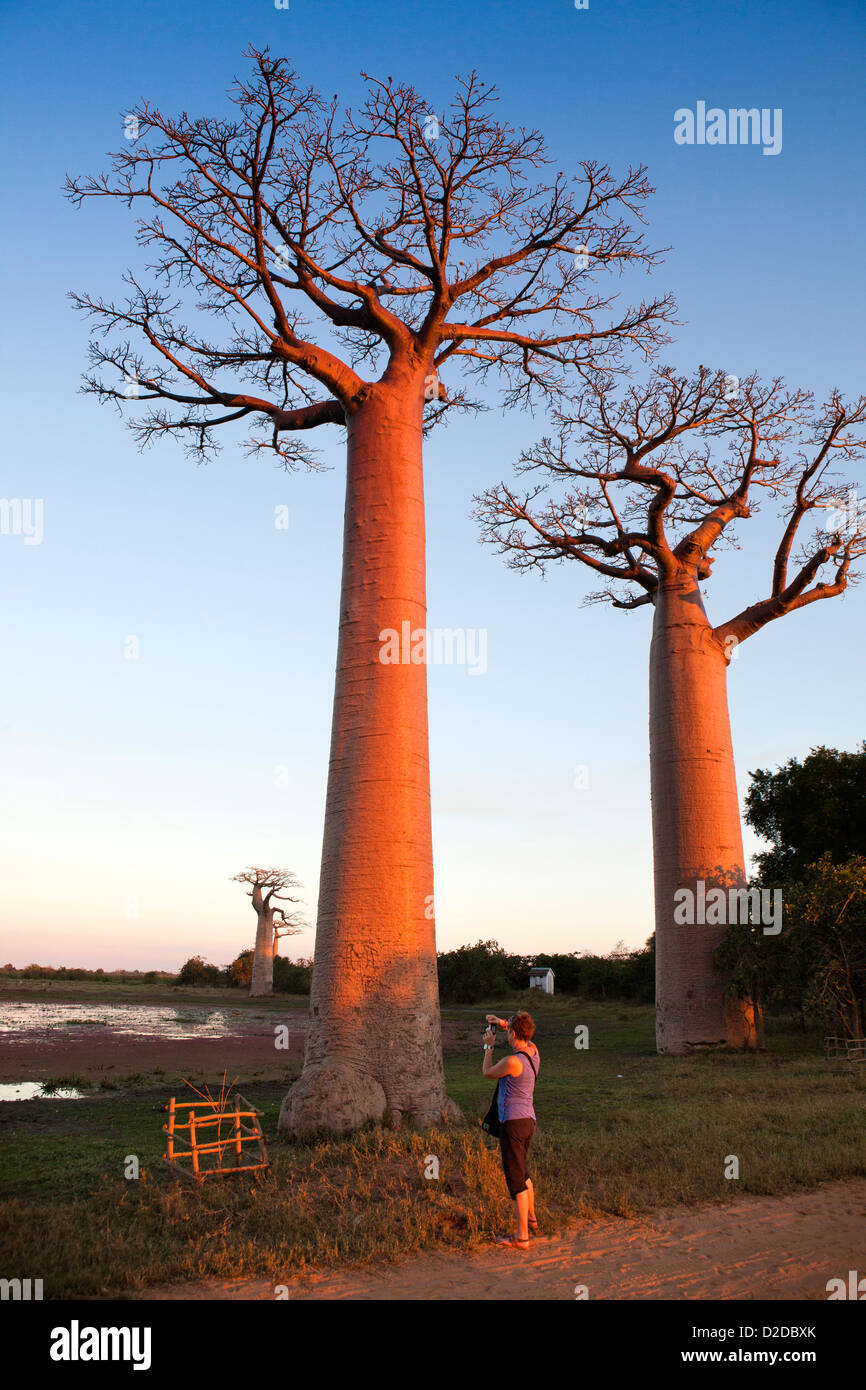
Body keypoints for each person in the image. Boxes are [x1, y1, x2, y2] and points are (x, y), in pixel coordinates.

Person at [481, 1010, 539, 1251]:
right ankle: (532, 1219)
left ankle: (522, 1237)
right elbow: (517, 1030)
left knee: (516, 1183)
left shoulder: (512, 1062)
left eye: (509, 1031)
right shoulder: (534, 1052)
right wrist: (500, 1023)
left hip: (512, 1124)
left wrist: (488, 1047)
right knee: (523, 1172)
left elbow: (487, 1072)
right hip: (528, 1121)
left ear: (514, 1034)